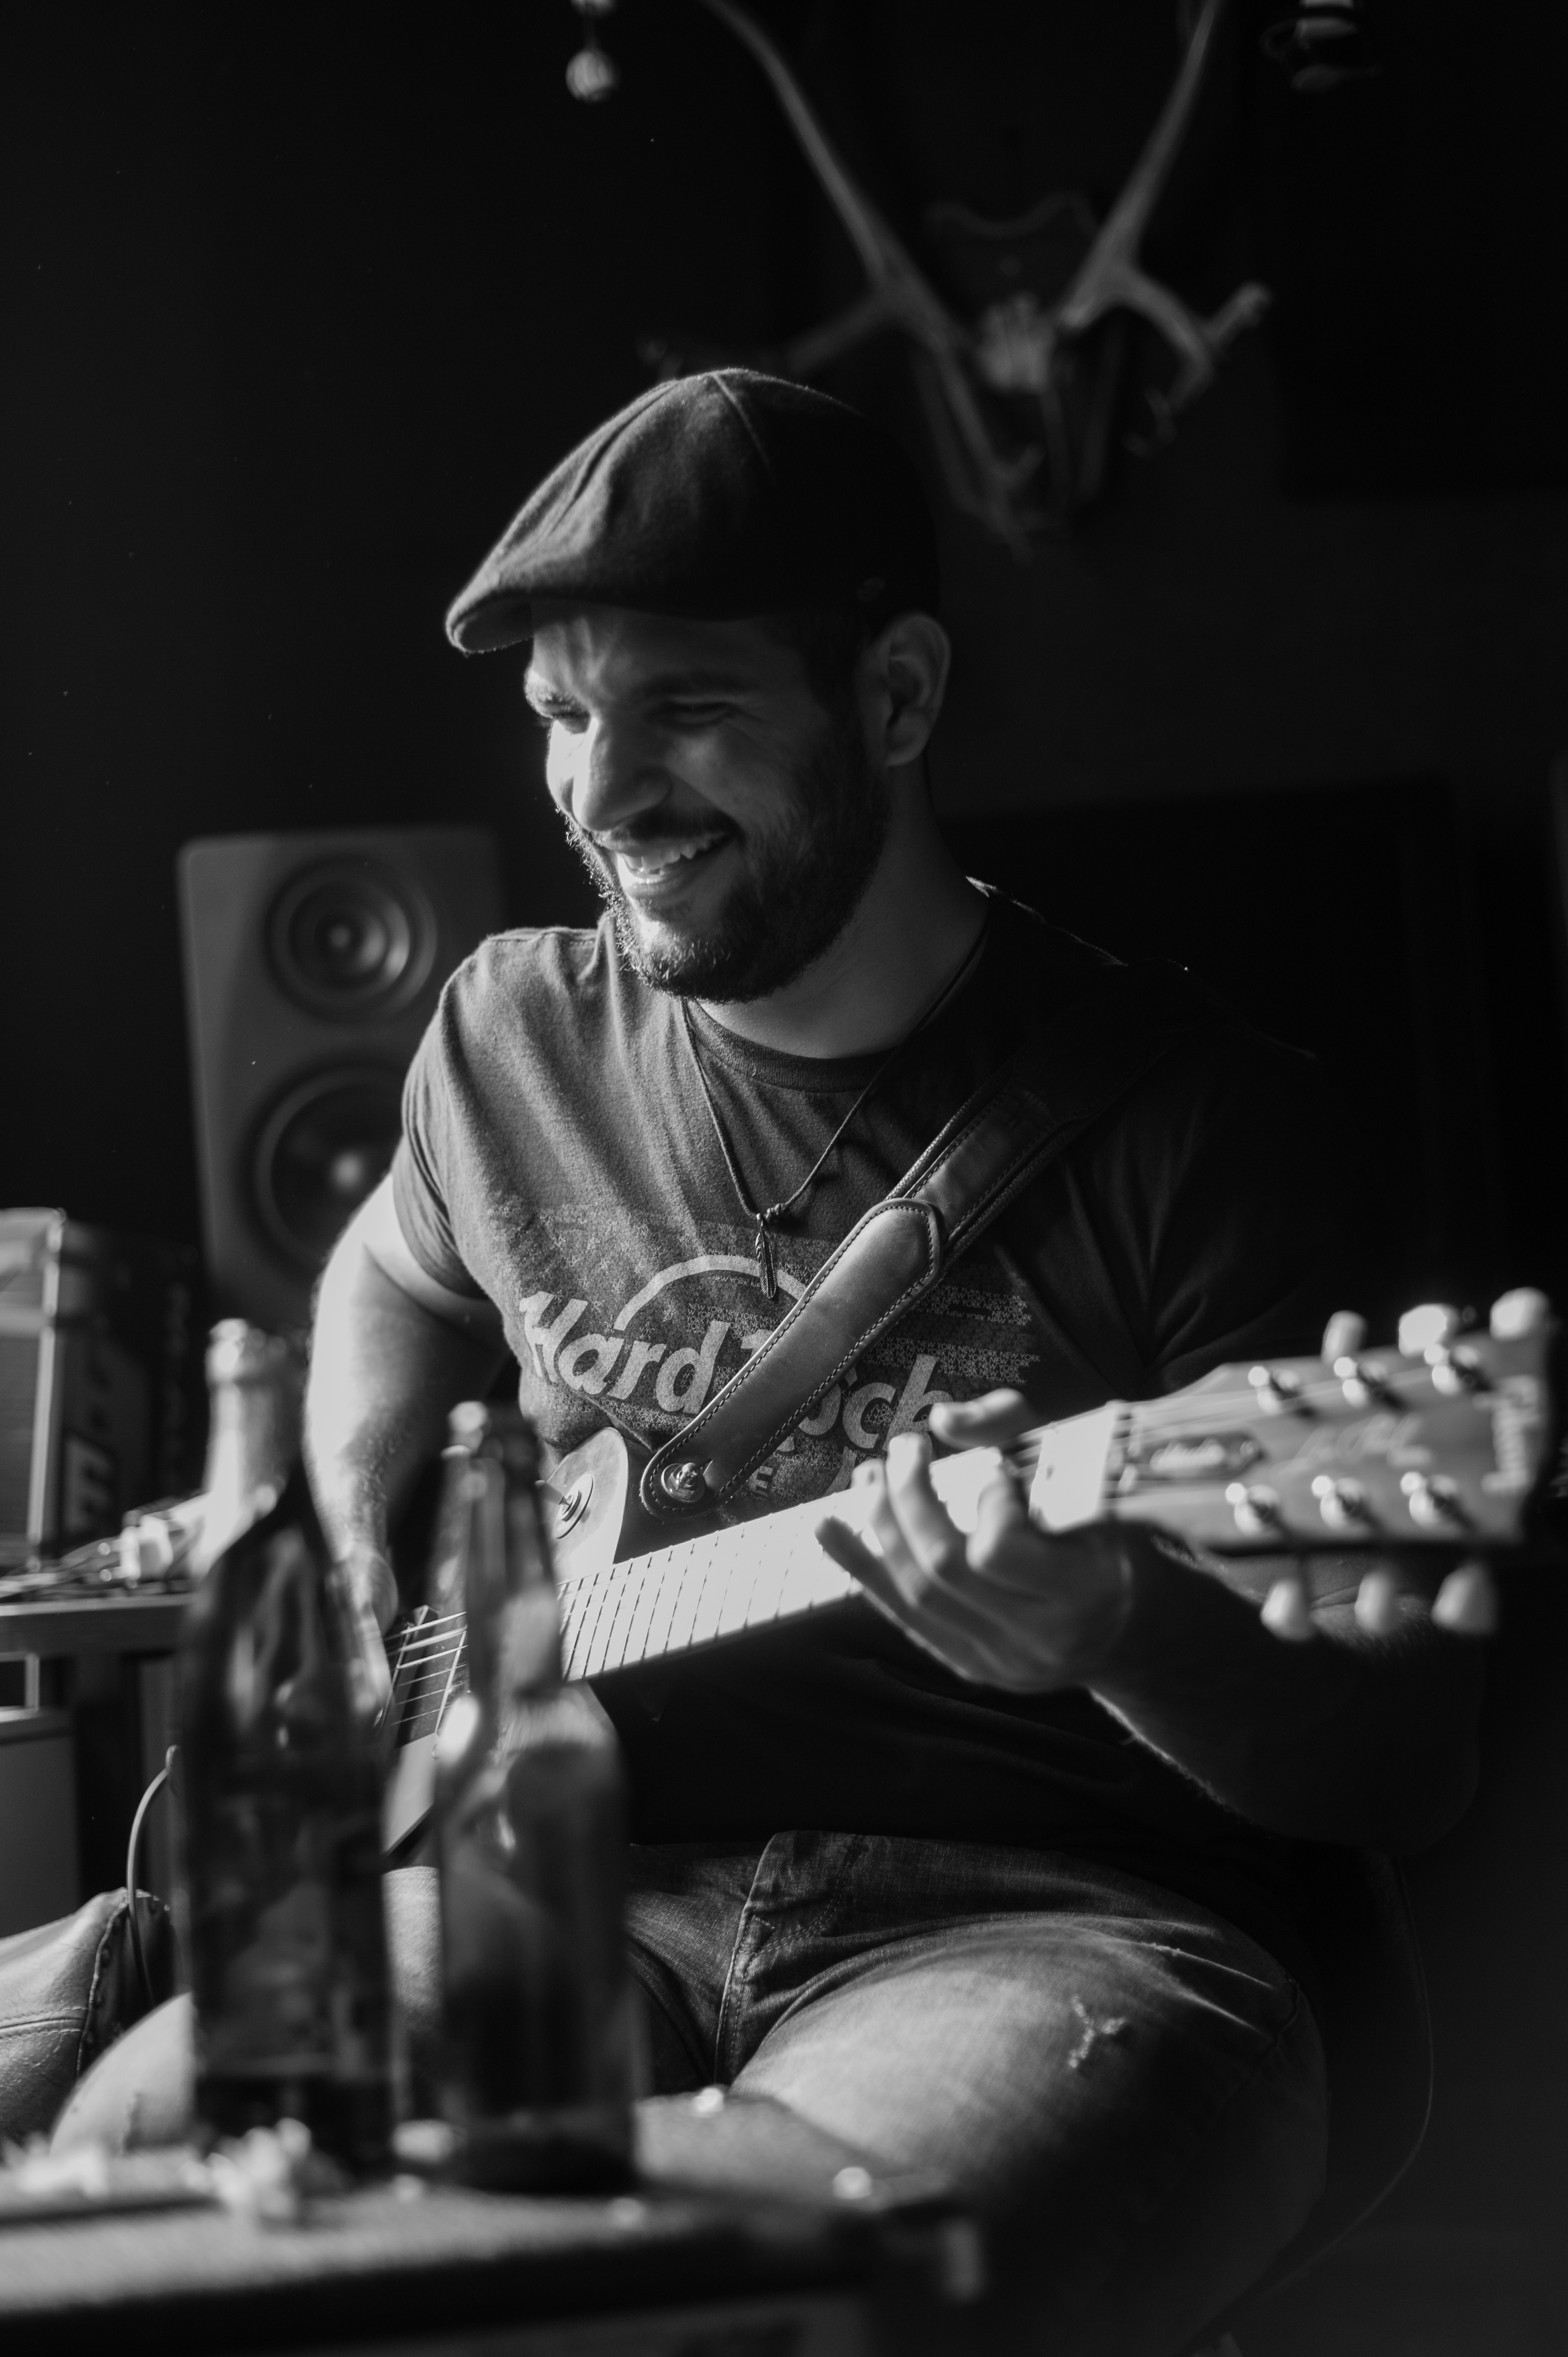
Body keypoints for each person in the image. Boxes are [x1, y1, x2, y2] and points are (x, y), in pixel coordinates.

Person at [84, 374, 1485, 2353]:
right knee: (158, 2159)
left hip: (1045, 1927)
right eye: (563, 715)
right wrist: (360, 1537)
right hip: (548, 1879)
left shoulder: (1205, 1128)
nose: (599, 792)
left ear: (897, 696)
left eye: (686, 708)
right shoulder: (506, 1040)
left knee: (810, 2309)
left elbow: (1404, 1763)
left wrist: (1118, 1627)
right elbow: (386, 1268)